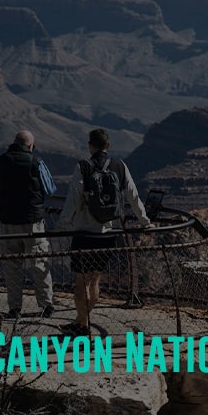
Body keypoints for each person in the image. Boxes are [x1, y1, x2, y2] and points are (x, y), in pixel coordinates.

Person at [57, 129, 150, 335]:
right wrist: (144, 221)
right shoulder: (120, 166)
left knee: (81, 281)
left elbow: (72, 199)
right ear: (108, 145)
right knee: (95, 279)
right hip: (108, 233)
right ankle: (81, 322)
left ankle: (83, 325)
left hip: (84, 234)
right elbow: (133, 196)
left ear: (90, 145)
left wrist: (62, 225)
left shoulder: (83, 167)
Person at [0, 131, 56, 318]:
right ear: (30, 146)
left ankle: (14, 308)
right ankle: (46, 305)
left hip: (8, 221)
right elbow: (50, 188)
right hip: (32, 222)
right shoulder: (35, 162)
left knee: (11, 266)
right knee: (39, 264)